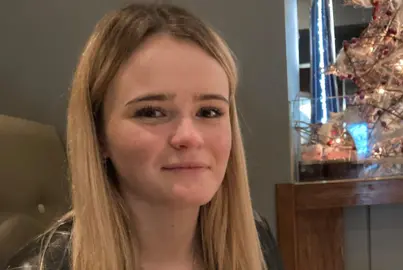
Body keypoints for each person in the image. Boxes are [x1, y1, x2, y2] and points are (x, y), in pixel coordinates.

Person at [5, 3, 284, 270]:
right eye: (151, 112)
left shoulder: (256, 241)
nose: (189, 136)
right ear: (99, 134)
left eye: (209, 112)